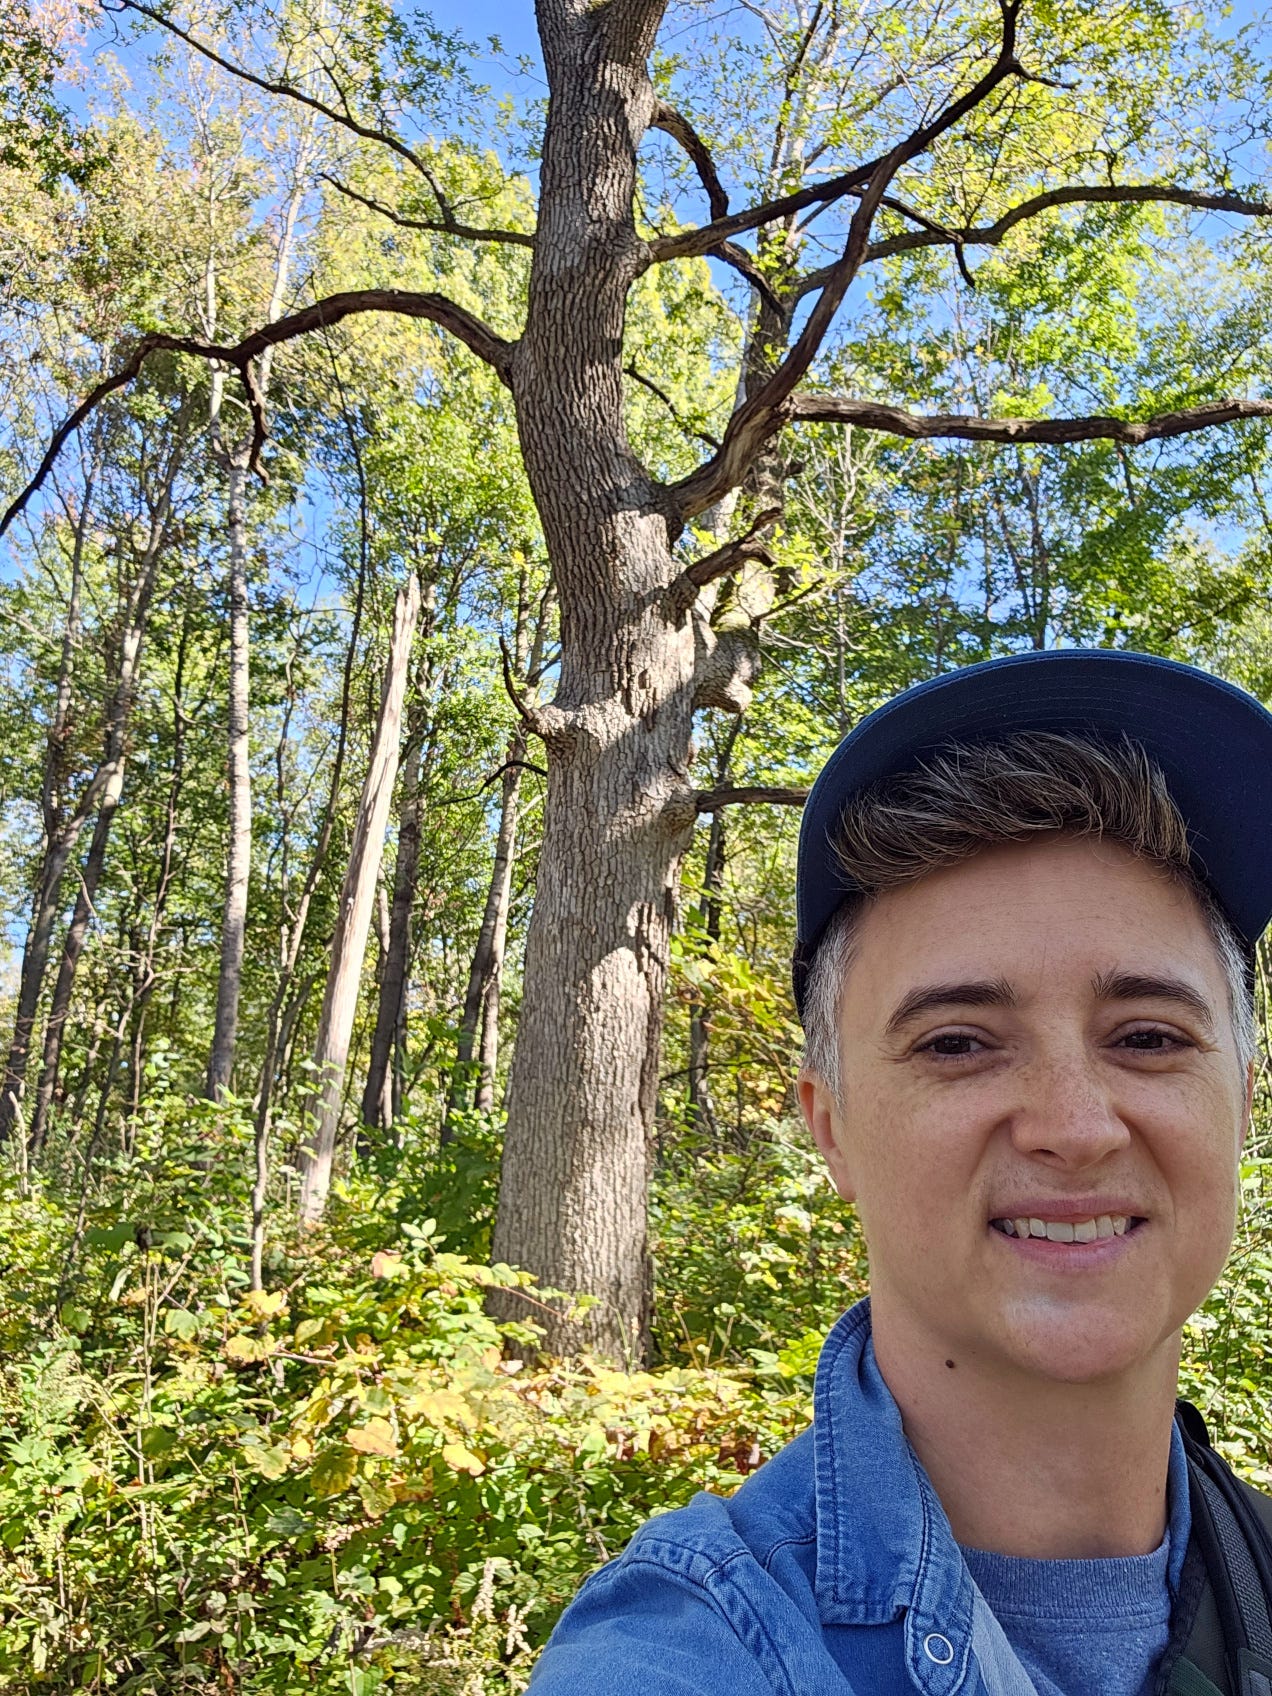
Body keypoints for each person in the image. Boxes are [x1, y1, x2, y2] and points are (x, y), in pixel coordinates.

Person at [527, 649, 1272, 1696]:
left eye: (1147, 1036)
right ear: (832, 1131)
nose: (1074, 1125)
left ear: (1242, 1099)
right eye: (958, 1043)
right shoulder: (699, 1648)